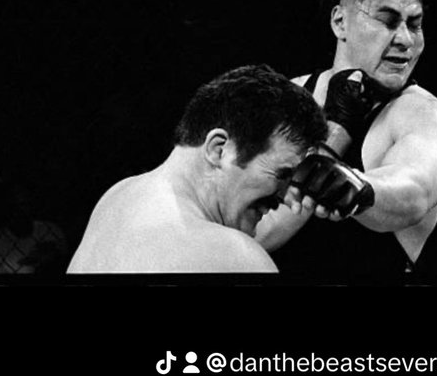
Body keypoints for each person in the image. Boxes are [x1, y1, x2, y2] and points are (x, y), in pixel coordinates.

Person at [255, 0, 437, 280]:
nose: (405, 40)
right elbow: (251, 231)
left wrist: (360, 189)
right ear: (340, 22)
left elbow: (415, 190)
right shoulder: (284, 97)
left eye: (414, 24)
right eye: (387, 21)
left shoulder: (422, 112)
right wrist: (335, 132)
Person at [66, 64, 328, 274]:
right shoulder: (234, 256)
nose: (283, 196)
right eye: (282, 174)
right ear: (219, 149)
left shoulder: (118, 196)